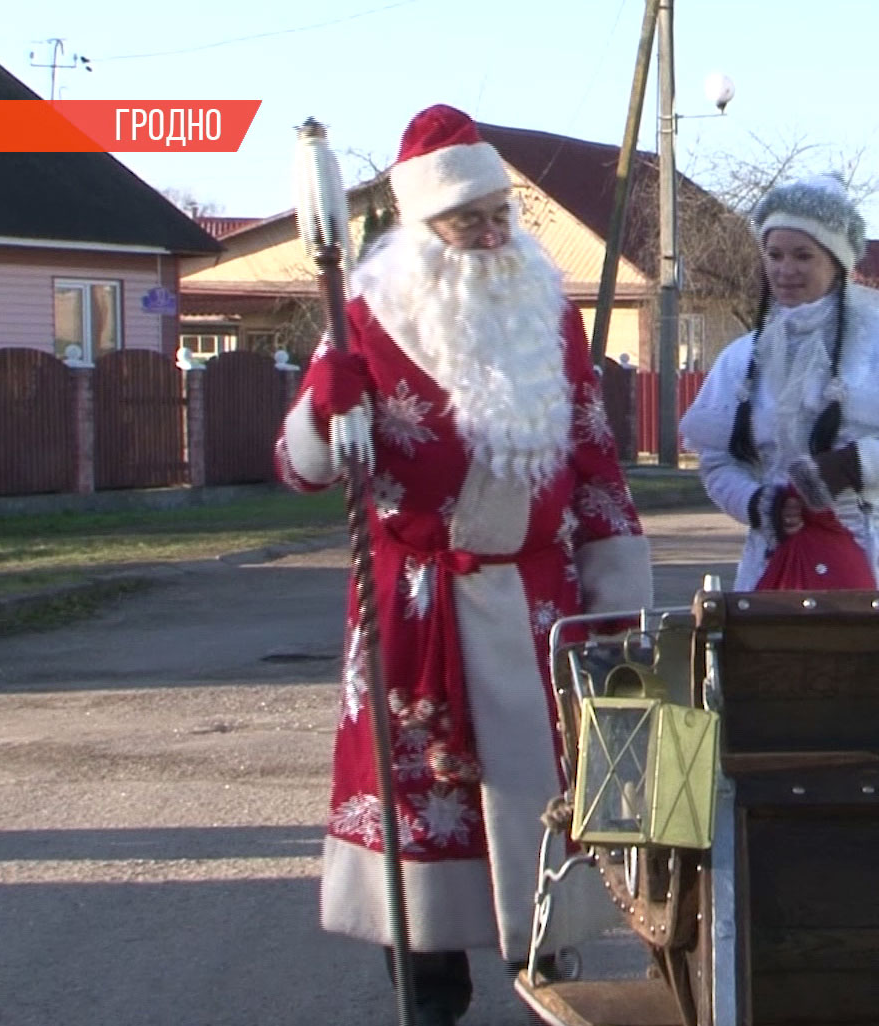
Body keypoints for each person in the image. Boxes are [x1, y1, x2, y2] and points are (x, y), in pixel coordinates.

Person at [274, 104, 652, 1026]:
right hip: (415, 606)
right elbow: (300, 473)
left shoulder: (548, 316)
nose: (488, 235)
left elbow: (595, 455)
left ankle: (552, 980)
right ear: (423, 229)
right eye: (466, 220)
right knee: (422, 805)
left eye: (498, 216)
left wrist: (617, 595)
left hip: (536, 606)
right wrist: (326, 409)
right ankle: (430, 998)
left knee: (545, 803)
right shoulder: (363, 318)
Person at [678, 175, 879, 591]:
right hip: (775, 566)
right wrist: (759, 505)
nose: (785, 270)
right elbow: (717, 462)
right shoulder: (743, 356)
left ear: (838, 262)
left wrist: (859, 464)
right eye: (774, 255)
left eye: (803, 256)